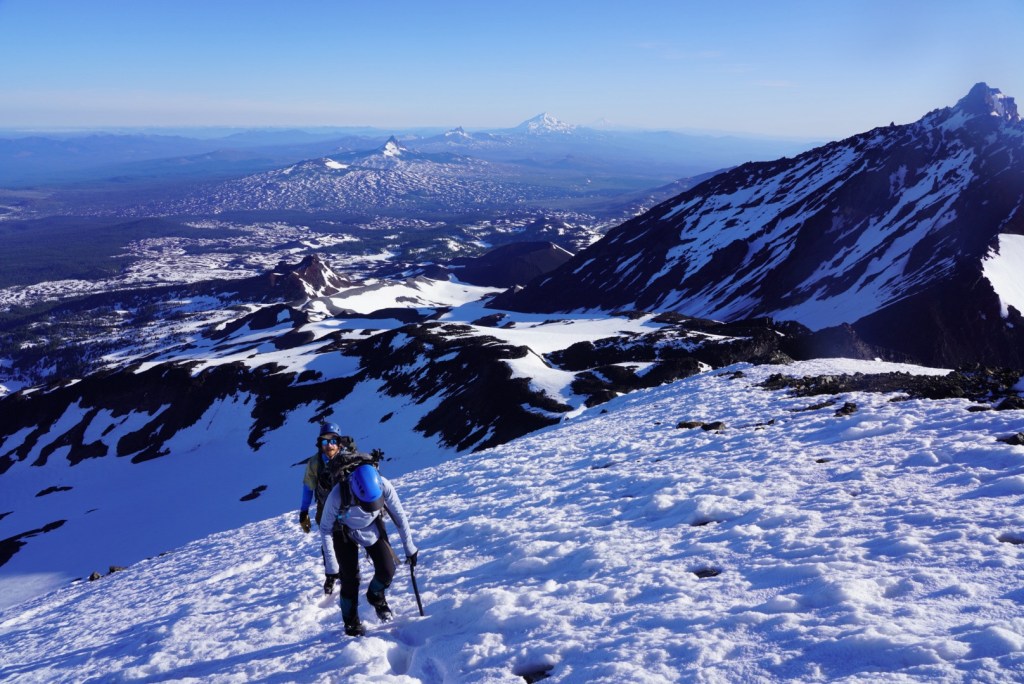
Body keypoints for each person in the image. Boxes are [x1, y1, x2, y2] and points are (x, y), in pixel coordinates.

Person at [319, 451, 418, 637]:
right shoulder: (337, 494)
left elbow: (399, 516)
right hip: (343, 531)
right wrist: (332, 568)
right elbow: (325, 529)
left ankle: (376, 596)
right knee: (350, 580)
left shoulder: (383, 484)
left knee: (387, 570)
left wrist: (409, 547)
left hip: (372, 526)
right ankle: (351, 623)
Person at [299, 422, 352, 594]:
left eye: (333, 441)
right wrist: (304, 512)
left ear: (339, 442)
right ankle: (331, 575)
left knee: (348, 539)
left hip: (347, 508)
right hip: (325, 509)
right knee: (328, 541)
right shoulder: (315, 464)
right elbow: (308, 488)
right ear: (319, 444)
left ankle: (349, 572)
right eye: (325, 441)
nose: (329, 445)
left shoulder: (349, 458)